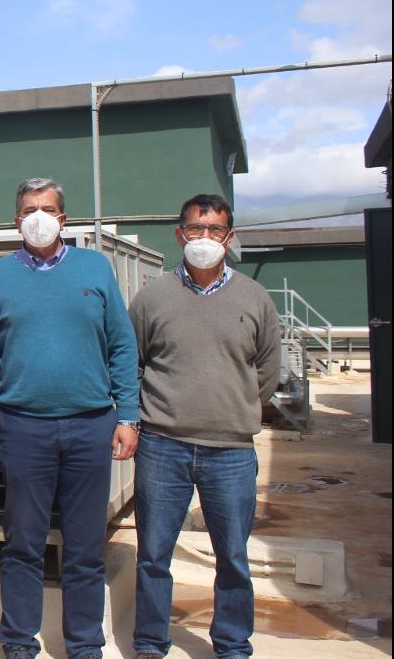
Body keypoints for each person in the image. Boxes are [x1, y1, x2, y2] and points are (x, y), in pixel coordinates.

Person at [0, 177, 140, 659]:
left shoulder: (95, 267)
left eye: (47, 208)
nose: (38, 215)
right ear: (16, 220)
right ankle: (18, 642)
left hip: (90, 426)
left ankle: (85, 643)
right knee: (23, 545)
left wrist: (128, 415)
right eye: (29, 208)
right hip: (22, 428)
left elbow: (121, 345)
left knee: (85, 548)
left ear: (64, 218)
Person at [128, 194, 280, 659]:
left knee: (232, 558)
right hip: (162, 446)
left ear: (229, 238)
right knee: (154, 555)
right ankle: (152, 643)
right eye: (196, 229)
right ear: (180, 234)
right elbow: (131, 363)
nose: (205, 238)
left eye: (215, 230)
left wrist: (233, 408)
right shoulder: (153, 297)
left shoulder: (255, 299)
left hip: (231, 452)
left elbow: (269, 371)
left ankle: (232, 644)